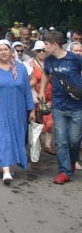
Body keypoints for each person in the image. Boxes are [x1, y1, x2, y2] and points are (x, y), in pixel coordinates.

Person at [0, 40, 35, 184]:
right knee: (2, 135)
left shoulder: (21, 68)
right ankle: (5, 170)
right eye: (0, 50)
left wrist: (32, 109)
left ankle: (9, 162)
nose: (3, 52)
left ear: (11, 51)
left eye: (6, 49)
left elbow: (27, 91)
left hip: (18, 109)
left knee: (15, 136)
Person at [40, 30, 82, 184]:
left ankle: (72, 160)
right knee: (61, 141)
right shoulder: (49, 60)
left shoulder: (75, 59)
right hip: (58, 106)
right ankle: (64, 171)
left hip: (77, 106)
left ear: (55, 44)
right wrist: (42, 90)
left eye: (46, 44)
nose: (44, 47)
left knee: (74, 140)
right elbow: (45, 74)